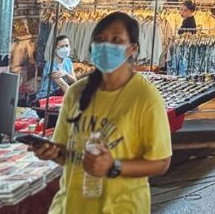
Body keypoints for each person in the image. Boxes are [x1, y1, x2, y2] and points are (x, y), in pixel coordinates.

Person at [30, 12, 171, 212]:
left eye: (116, 40)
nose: (106, 45)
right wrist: (51, 152)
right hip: (71, 205)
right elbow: (66, 154)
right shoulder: (76, 92)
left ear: (132, 48)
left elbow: (161, 162)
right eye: (100, 39)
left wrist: (114, 166)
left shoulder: (145, 97)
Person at [38, 35, 76, 102]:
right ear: (55, 49)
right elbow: (62, 85)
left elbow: (74, 81)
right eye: (62, 46)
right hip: (48, 97)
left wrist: (66, 73)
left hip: (60, 94)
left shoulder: (68, 61)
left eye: (67, 45)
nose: (65, 49)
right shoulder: (51, 64)